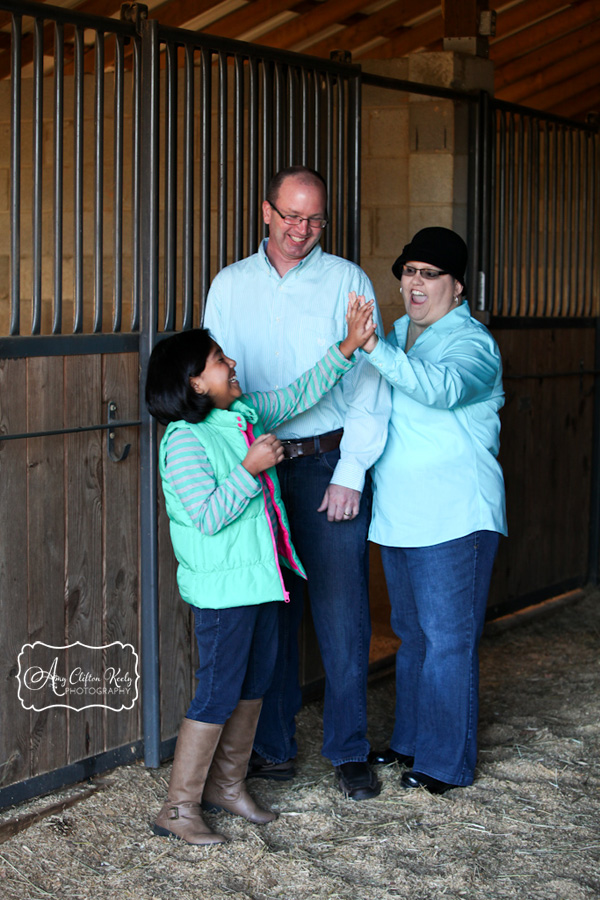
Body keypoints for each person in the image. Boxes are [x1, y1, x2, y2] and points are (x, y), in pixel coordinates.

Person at [145, 299, 376, 845]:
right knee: (217, 693)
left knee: (255, 684)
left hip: (264, 580)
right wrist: (251, 470)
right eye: (219, 360)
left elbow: (297, 393)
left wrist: (346, 347)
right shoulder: (183, 441)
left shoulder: (243, 415)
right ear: (196, 384)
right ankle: (178, 809)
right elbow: (206, 516)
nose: (231, 365)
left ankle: (226, 787)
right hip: (225, 590)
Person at [203, 166, 391, 801]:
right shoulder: (228, 285)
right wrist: (237, 462)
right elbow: (220, 384)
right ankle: (274, 749)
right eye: (291, 216)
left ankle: (348, 750)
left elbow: (371, 384)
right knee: (270, 612)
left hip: (324, 462)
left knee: (343, 614)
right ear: (266, 211)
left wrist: (351, 472)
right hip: (261, 464)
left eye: (314, 220)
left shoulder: (349, 282)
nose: (302, 231)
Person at [357, 226, 507, 793]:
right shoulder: (397, 333)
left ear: (458, 286)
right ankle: (410, 744)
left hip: (455, 515)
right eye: (409, 271)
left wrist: (374, 350)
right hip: (401, 514)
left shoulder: (473, 345)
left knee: (448, 640)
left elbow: (440, 390)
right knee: (412, 636)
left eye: (430, 274)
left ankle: (445, 763)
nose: (415, 284)